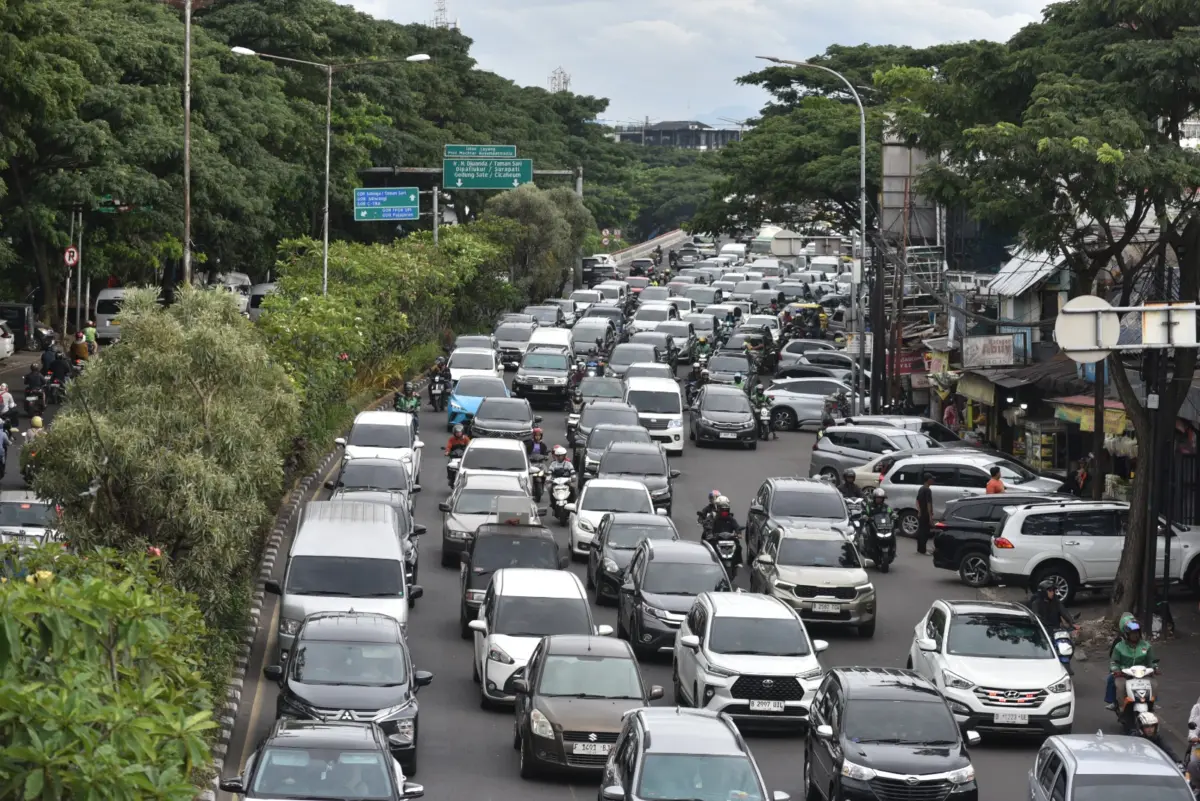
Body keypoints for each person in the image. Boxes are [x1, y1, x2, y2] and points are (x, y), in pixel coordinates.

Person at [1111, 617, 1159, 728]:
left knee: (1154, 684)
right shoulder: (1119, 647)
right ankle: (1121, 707)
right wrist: (1116, 670)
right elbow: (1114, 662)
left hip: (1143, 674)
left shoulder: (1146, 646)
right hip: (1125, 674)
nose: (1135, 635)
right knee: (1119, 686)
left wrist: (1155, 668)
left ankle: (1152, 704)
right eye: (1132, 633)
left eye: (1137, 632)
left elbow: (1152, 661)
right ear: (1127, 634)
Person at [916, 472, 935, 555]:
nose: (933, 481)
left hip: (921, 513)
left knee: (921, 531)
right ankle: (923, 550)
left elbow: (917, 501)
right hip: (926, 514)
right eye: (932, 479)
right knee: (925, 532)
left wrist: (919, 511)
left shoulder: (921, 488)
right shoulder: (928, 490)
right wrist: (930, 516)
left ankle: (920, 549)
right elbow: (929, 503)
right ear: (928, 480)